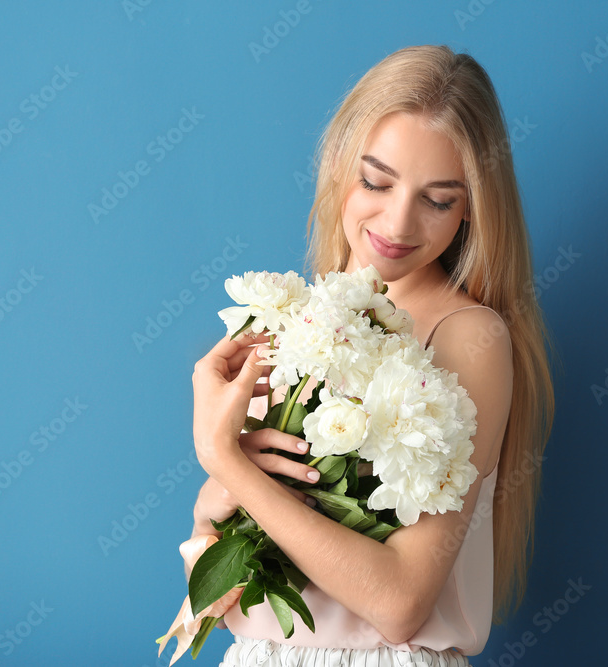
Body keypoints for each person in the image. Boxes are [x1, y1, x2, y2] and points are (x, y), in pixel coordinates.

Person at [186, 44, 555, 667]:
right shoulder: (294, 318)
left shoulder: (468, 336)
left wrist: (224, 459)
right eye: (376, 181)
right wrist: (211, 503)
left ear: (472, 209)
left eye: (439, 199)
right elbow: (228, 606)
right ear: (338, 166)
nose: (398, 222)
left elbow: (398, 605)